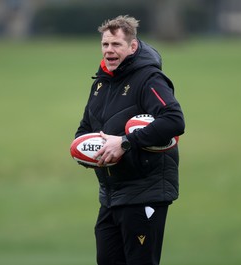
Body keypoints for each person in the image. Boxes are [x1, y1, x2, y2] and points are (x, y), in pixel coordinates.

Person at [74, 15, 185, 265]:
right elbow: (84, 129)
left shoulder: (149, 79)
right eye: (105, 45)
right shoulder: (101, 84)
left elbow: (174, 121)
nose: (109, 51)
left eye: (116, 45)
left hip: (144, 193)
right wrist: (89, 153)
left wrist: (124, 142)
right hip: (111, 195)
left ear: (132, 47)